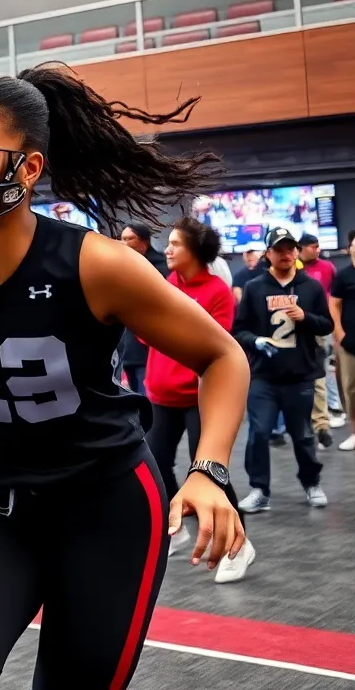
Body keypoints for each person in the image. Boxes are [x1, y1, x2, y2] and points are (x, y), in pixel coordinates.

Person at [0, 63, 250, 689]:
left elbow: (222, 357)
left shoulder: (98, 265)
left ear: (26, 169)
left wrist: (209, 469)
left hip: (106, 506)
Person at [144, 216, 253, 583]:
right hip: (161, 395)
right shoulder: (165, 285)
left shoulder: (217, 292)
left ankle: (240, 544)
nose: (168, 250)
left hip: (197, 397)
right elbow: (148, 337)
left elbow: (214, 348)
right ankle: (180, 526)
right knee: (155, 466)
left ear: (195, 252)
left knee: (208, 471)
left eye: (175, 244)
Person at [233, 227, 331, 514]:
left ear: (297, 252)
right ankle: (259, 489)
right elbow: (239, 330)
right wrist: (257, 340)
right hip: (263, 376)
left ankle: (311, 482)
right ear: (268, 254)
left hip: (300, 375)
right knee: (259, 432)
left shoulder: (310, 287)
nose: (286, 253)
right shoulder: (254, 287)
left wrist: (305, 317)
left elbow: (327, 325)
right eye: (280, 249)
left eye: (291, 248)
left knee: (302, 435)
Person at [296, 232, 344, 446]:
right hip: (292, 329)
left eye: (318, 246)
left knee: (320, 374)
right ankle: (299, 423)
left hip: (318, 326)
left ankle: (322, 423)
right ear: (302, 248)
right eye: (313, 246)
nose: (317, 249)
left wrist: (336, 327)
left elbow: (335, 298)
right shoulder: (293, 267)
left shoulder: (327, 267)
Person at [117, 222, 169, 394]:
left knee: (147, 398)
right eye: (122, 239)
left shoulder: (161, 268)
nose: (124, 243)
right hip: (127, 347)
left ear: (144, 242)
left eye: (130, 239)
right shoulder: (121, 267)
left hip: (149, 346)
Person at [328, 230, 355, 451]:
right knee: (351, 388)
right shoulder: (343, 276)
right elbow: (334, 305)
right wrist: (339, 333)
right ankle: (354, 433)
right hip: (350, 341)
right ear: (350, 249)